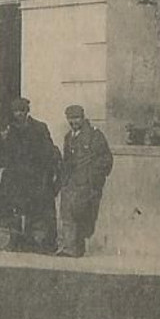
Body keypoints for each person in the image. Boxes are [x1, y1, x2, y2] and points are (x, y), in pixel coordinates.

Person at [0, 97, 61, 251]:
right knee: (13, 210)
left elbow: (48, 151)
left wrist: (45, 173)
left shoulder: (40, 128)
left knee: (35, 211)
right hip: (15, 177)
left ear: (27, 111)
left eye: (22, 111)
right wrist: (0, 138)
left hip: (34, 176)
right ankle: (15, 241)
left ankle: (36, 243)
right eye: (16, 111)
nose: (19, 114)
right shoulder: (9, 130)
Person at [57, 104, 114, 258]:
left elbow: (106, 159)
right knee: (67, 214)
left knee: (81, 214)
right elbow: (67, 160)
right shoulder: (69, 137)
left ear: (83, 118)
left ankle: (77, 248)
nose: (73, 122)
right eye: (70, 118)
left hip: (86, 184)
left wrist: (93, 178)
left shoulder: (95, 136)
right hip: (70, 182)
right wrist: (63, 180)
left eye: (76, 118)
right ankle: (68, 248)